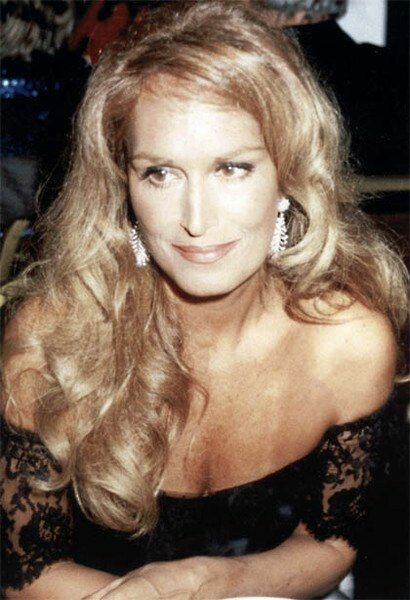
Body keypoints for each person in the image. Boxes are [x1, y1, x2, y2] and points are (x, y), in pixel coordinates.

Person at [1, 1, 407, 599]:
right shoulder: (50, 343)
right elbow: (24, 571)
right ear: (122, 185)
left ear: (287, 174)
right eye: (160, 173)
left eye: (232, 168)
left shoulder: (346, 344)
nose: (196, 220)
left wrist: (211, 581)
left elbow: (330, 541)